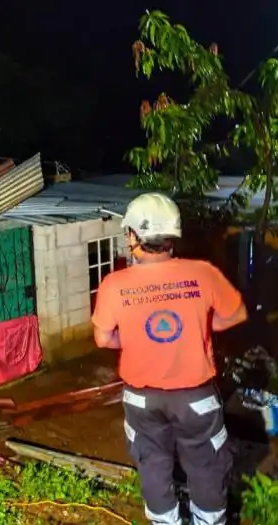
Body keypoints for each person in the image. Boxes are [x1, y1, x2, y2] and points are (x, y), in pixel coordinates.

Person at [91, 193, 248, 525]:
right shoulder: (203, 273)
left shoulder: (114, 284)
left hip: (141, 399)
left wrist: (134, 339)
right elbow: (236, 314)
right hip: (196, 398)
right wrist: (201, 326)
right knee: (206, 464)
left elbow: (103, 338)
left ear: (134, 236)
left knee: (153, 464)